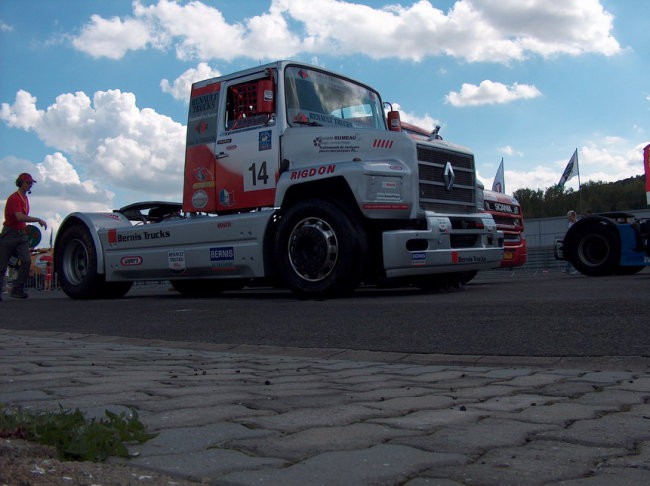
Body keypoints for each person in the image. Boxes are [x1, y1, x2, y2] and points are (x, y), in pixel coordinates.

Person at [0, 173, 48, 300]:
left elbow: (22, 220)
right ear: (20, 183)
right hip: (9, 233)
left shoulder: (25, 198)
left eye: (31, 182)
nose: (30, 184)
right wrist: (37, 219)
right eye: (27, 182)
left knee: (26, 261)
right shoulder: (14, 198)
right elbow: (19, 217)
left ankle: (17, 289)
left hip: (21, 233)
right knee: (2, 264)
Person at [564, 210, 578, 274]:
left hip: (576, 241)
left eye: (569, 216)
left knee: (575, 255)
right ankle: (567, 268)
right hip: (572, 241)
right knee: (570, 255)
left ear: (572, 216)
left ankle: (576, 269)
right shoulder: (570, 223)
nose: (568, 218)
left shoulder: (577, 222)